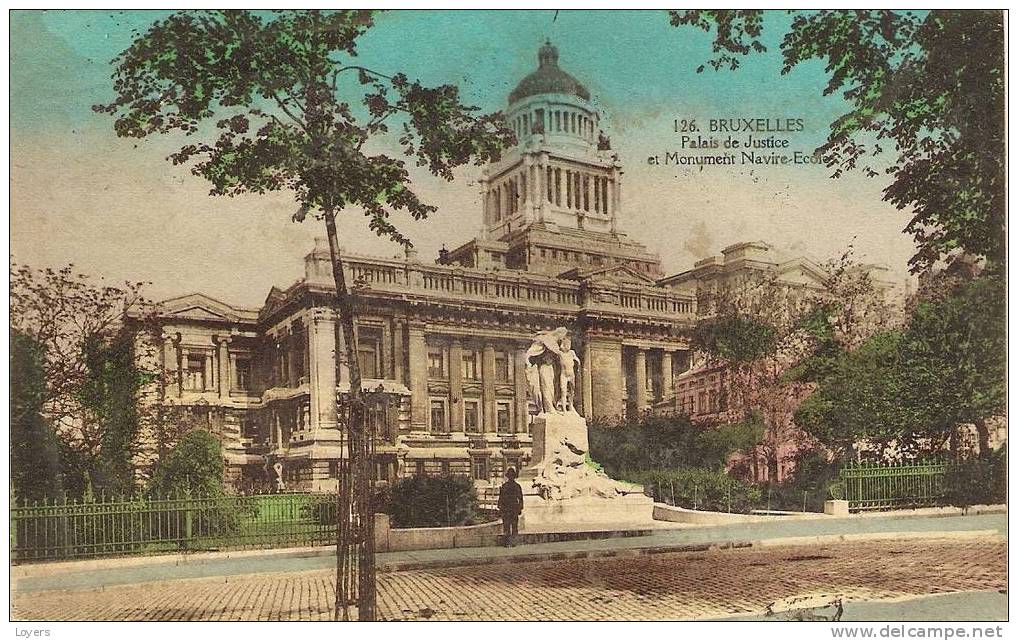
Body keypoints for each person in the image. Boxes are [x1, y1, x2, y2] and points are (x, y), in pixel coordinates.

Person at [497, 467, 524, 547]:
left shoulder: (509, 486)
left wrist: (520, 507)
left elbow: (520, 498)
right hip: (510, 508)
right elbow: (501, 498)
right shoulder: (515, 486)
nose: (511, 477)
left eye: (512, 476)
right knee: (509, 526)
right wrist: (520, 507)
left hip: (510, 509)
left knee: (510, 526)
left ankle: (510, 542)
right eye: (510, 476)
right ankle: (510, 542)